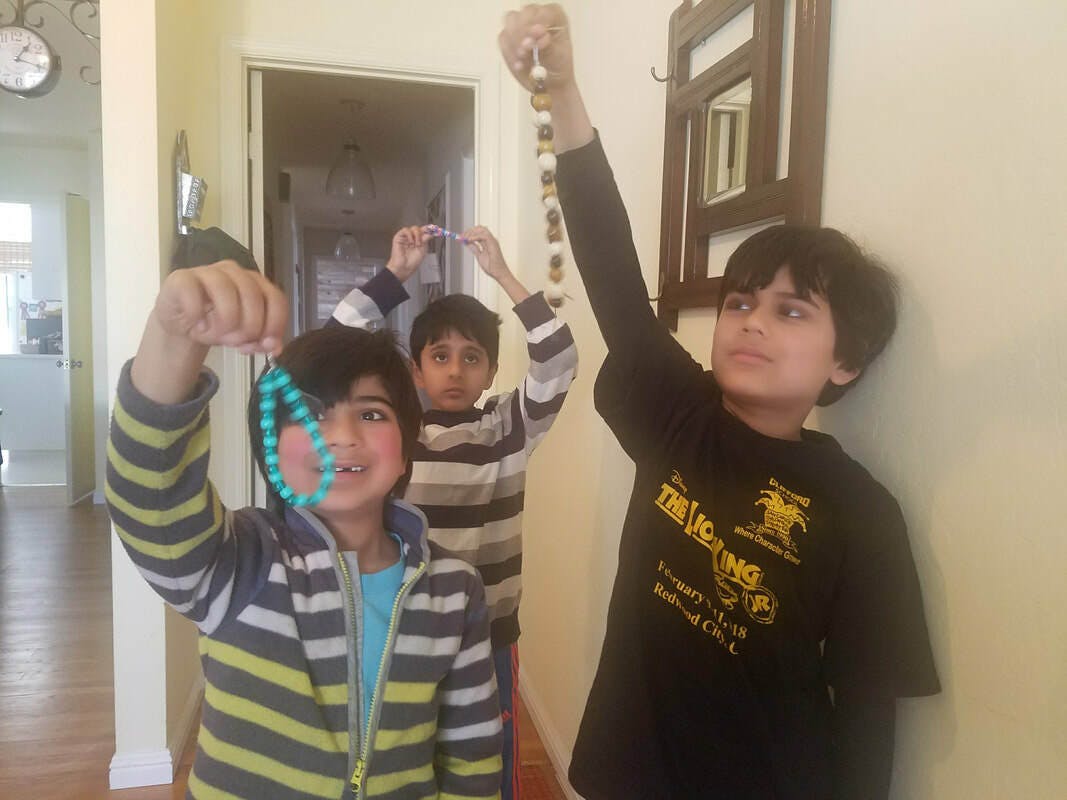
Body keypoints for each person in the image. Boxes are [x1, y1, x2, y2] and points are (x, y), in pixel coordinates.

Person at [498, 6, 940, 799]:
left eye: (790, 311)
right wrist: (561, 92)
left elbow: (866, 715)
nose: (751, 322)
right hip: (627, 772)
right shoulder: (681, 417)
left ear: (844, 362)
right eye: (740, 302)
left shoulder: (860, 512)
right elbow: (611, 269)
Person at [105, 260, 502, 799]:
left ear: (407, 450)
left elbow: (471, 757)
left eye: (371, 414)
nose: (341, 436)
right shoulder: (241, 561)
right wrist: (173, 338)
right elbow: (148, 495)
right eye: (312, 415)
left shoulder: (455, 589)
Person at [330, 224, 578, 800]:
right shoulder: (395, 434)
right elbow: (333, 347)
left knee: (487, 758)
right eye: (439, 356)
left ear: (490, 372)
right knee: (404, 755)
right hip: (406, 630)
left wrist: (504, 275)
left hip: (490, 635)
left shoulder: (510, 427)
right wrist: (396, 275)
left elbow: (559, 358)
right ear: (416, 371)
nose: (455, 370)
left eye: (472, 358)